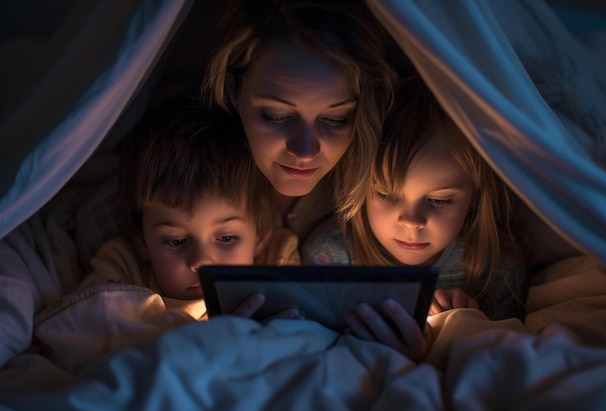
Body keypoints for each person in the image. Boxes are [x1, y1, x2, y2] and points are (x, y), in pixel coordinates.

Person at [305, 76, 527, 360]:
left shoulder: (496, 273)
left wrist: (465, 328)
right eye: (385, 194)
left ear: (474, 197)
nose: (411, 222)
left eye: (438, 200)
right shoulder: (329, 261)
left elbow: (501, 373)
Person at [76, 96, 301, 319]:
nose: (201, 261)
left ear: (260, 236)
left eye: (226, 238)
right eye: (177, 241)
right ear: (142, 241)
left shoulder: (275, 262)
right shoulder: (122, 269)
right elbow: (82, 334)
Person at [201, 0, 399, 248]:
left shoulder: (391, 189)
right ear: (232, 89)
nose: (305, 152)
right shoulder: (185, 174)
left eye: (335, 120)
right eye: (277, 116)